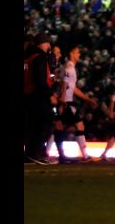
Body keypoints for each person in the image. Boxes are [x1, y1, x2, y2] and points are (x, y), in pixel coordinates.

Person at [54, 45, 98, 163]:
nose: (79, 55)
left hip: (65, 101)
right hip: (67, 102)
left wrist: (87, 99)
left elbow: (72, 87)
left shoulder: (68, 67)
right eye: (77, 53)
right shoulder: (70, 67)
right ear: (71, 54)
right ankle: (84, 156)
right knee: (78, 126)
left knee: (59, 127)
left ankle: (61, 155)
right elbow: (64, 84)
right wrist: (62, 101)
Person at [24, 32, 57, 164]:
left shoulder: (28, 57)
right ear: (43, 43)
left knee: (31, 126)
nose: (49, 45)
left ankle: (30, 154)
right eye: (48, 42)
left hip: (28, 96)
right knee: (44, 124)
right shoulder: (40, 58)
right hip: (38, 96)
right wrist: (50, 95)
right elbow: (41, 80)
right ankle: (37, 154)